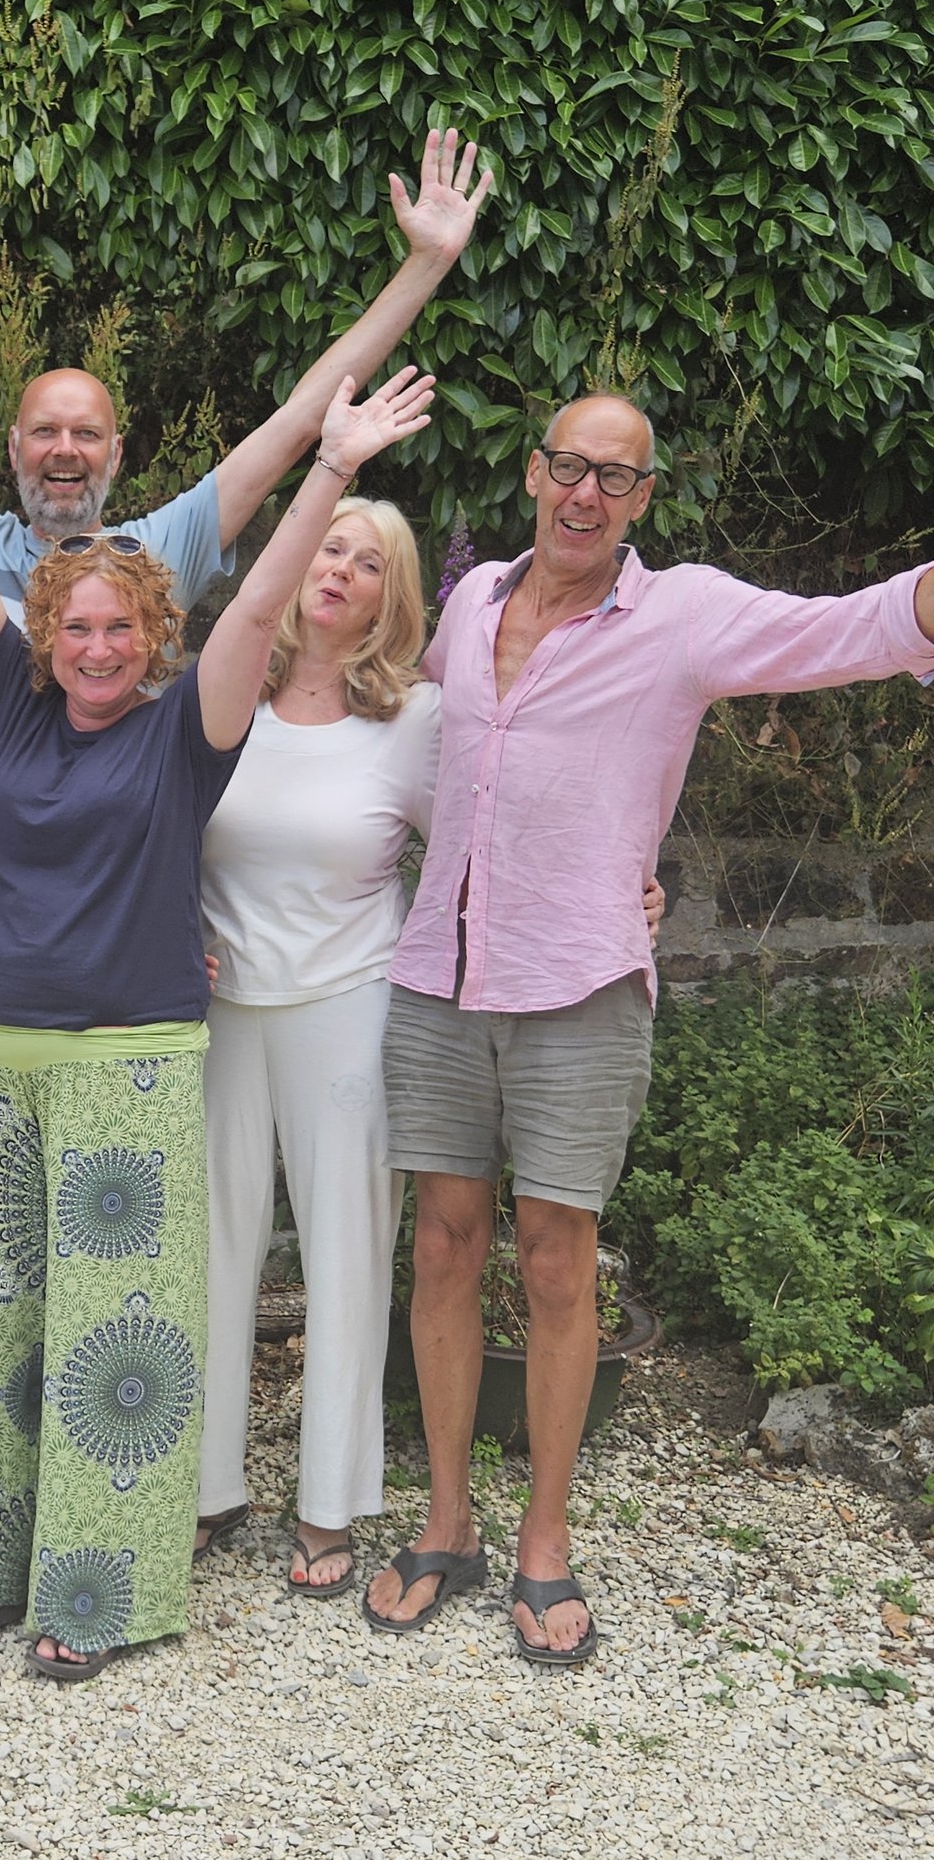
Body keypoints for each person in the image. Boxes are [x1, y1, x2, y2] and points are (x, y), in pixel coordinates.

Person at [366, 395, 934, 1665]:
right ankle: (448, 1520)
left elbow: (864, 628)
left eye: (615, 479)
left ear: (642, 497)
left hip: (576, 985)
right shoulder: (465, 611)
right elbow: (377, 737)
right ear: (531, 472)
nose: (585, 494)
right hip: (437, 978)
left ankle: (545, 1542)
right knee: (445, 1249)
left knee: (557, 1259)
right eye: (568, 467)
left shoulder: (681, 615)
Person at [0, 296, 437, 1678]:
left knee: (120, 1334)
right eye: (82, 627)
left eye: (125, 628)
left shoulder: (193, 728)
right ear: (46, 630)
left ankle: (99, 1594)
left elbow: (264, 586)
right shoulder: (6, 696)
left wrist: (336, 468)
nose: (102, 647)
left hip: (133, 1060)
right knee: (2, 1321)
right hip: (2, 1056)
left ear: (154, 635)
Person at [192, 516, 667, 1594]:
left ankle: (328, 1507)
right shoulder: (219, 691)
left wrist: (628, 884)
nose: (341, 572)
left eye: (371, 564)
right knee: (211, 1252)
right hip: (220, 1003)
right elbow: (154, 819)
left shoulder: (418, 719)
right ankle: (208, 1486)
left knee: (348, 1261)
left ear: (394, 602)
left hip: (350, 1003)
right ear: (292, 562)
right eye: (328, 549)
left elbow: (520, 818)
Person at [0, 133, 490, 699]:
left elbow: (301, 418)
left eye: (86, 435)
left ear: (116, 454)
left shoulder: (156, 553)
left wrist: (425, 264)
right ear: (13, 449)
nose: (64, 451)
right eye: (45, 432)